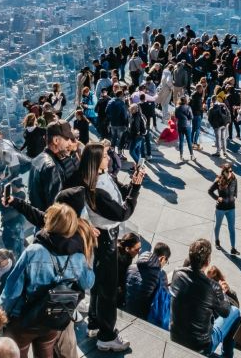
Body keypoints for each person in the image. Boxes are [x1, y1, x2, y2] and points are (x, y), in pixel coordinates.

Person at [0, 203, 95, 358]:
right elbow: (88, 283)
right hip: (53, 318)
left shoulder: (33, 252)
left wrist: (1, 314)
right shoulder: (78, 256)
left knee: (19, 351)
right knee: (45, 350)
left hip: (24, 319)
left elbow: (12, 290)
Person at [80, 142, 145, 351]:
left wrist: (134, 183)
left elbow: (121, 192)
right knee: (107, 288)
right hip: (105, 239)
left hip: (107, 237)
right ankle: (107, 335)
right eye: (106, 155)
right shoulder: (95, 190)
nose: (110, 158)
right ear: (97, 161)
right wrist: (135, 190)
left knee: (100, 284)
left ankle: (94, 322)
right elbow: (122, 212)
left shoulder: (103, 177)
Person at [170, 239, 240, 358]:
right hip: (201, 346)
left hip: (175, 337)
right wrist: (223, 293)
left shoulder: (177, 273)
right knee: (235, 312)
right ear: (207, 261)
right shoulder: (212, 286)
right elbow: (226, 312)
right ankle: (227, 355)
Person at [28, 121, 77, 212]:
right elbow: (57, 208)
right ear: (56, 140)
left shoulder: (37, 159)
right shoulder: (52, 167)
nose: (70, 143)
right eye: (67, 139)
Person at [124, 242, 171, 320]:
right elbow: (164, 299)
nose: (164, 264)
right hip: (144, 315)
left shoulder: (132, 266)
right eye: (166, 261)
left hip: (128, 307)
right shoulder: (161, 275)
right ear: (162, 258)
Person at [208, 163, 240, 255]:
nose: (231, 172)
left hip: (231, 208)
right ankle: (217, 241)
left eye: (231, 171)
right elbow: (210, 191)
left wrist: (235, 196)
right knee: (218, 225)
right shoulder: (219, 180)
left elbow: (235, 189)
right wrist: (217, 198)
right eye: (229, 171)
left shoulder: (234, 179)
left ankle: (233, 248)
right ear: (224, 172)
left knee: (232, 228)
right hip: (221, 208)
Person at [176, 95, 195, 161]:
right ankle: (192, 155)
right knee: (189, 141)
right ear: (186, 101)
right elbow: (191, 117)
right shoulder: (188, 107)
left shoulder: (177, 108)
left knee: (181, 141)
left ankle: (181, 156)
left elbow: (176, 116)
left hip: (180, 125)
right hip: (187, 125)